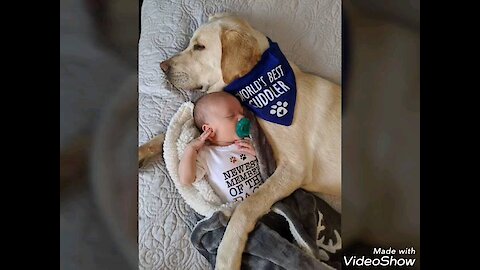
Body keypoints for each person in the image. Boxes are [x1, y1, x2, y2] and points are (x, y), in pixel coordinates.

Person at [178, 92, 263, 203]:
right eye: (231, 116)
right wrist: (191, 149)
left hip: (264, 201)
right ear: (210, 131)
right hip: (236, 212)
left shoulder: (249, 142)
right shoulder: (206, 154)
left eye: (242, 113)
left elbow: (268, 165)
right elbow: (186, 180)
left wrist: (258, 153)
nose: (242, 117)